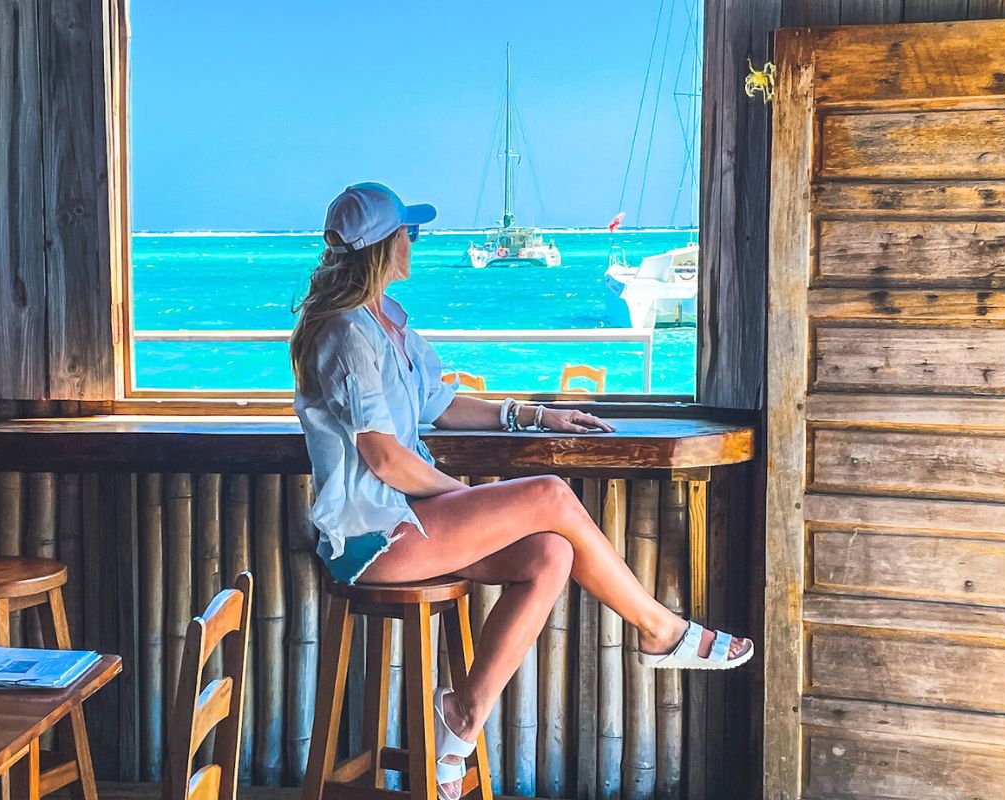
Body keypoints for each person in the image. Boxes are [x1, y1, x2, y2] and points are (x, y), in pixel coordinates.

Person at [291, 182, 752, 800]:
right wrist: (454, 493)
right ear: (381, 247)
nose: (415, 242)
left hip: (404, 521)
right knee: (551, 496)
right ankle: (660, 630)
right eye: (410, 232)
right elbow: (383, 456)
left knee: (550, 554)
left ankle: (459, 722)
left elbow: (443, 404)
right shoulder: (345, 333)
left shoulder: (386, 325)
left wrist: (538, 415)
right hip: (371, 539)